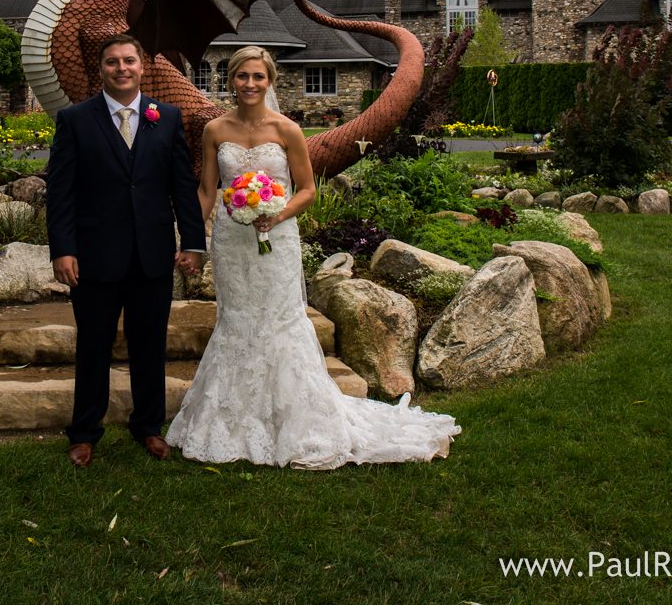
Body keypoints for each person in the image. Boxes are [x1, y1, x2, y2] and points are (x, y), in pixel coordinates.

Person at [166, 45, 461, 469]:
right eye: (242, 76)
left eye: (258, 76)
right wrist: (192, 240)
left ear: (270, 81)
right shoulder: (215, 130)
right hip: (232, 242)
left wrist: (275, 213)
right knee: (237, 321)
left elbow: (306, 189)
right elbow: (207, 192)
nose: (250, 84)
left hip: (276, 239)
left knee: (281, 321)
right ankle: (230, 417)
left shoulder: (287, 130)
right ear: (231, 80)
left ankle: (298, 420)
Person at [47, 34, 205, 468]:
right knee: (93, 346)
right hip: (94, 255)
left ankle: (148, 426)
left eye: (129, 61)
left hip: (152, 254)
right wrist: (63, 249)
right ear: (101, 69)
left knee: (149, 344)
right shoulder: (75, 119)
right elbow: (60, 192)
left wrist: (192, 242)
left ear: (141, 67)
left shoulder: (166, 117)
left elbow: (182, 188)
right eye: (113, 62)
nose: (121, 68)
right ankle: (84, 432)